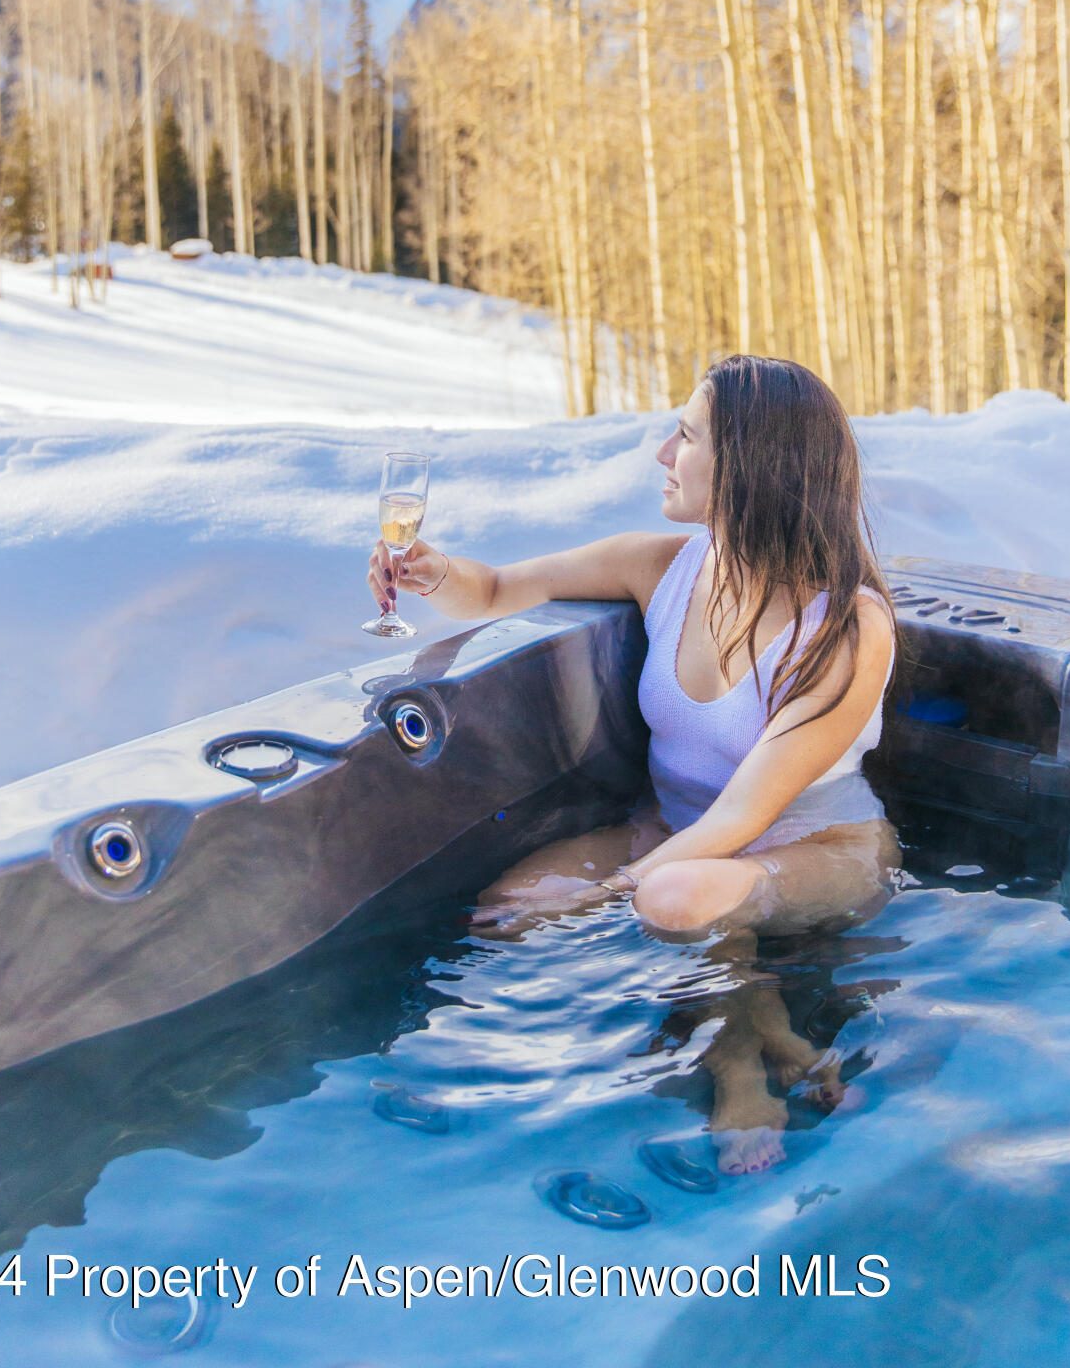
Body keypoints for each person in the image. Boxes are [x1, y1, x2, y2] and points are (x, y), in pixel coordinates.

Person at [367, 353, 901, 1170]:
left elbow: (742, 819)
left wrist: (609, 892)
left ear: (749, 466)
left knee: (676, 894)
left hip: (817, 849)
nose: (661, 454)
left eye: (684, 436)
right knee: (506, 913)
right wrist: (430, 571)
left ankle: (735, 1069)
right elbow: (500, 587)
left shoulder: (847, 626)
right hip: (674, 831)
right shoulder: (661, 566)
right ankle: (770, 1022)